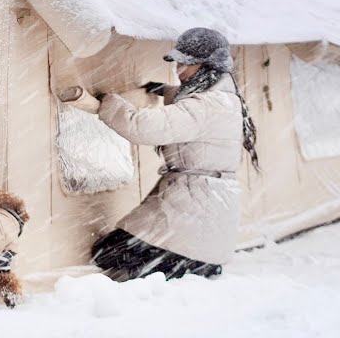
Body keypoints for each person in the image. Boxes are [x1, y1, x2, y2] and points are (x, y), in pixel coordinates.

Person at [90, 27, 259, 281]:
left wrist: (108, 103)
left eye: (185, 63)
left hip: (193, 205)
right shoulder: (226, 99)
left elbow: (142, 128)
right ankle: (195, 264)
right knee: (126, 252)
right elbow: (188, 110)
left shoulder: (205, 106)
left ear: (206, 66)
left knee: (107, 254)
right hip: (208, 203)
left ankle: (185, 266)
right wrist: (164, 90)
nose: (179, 69)